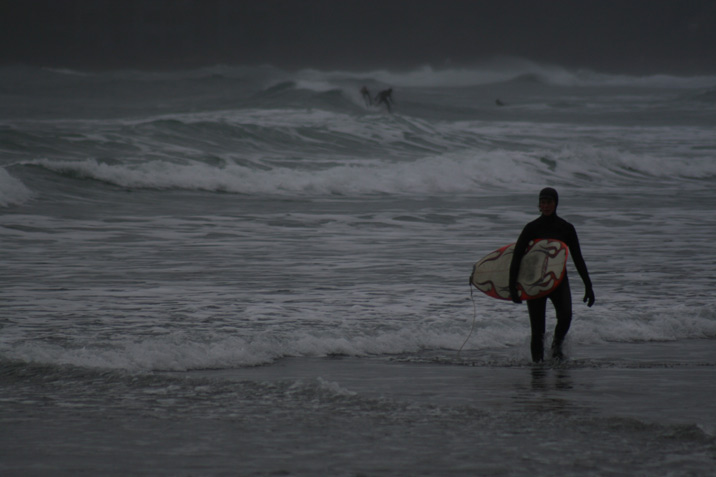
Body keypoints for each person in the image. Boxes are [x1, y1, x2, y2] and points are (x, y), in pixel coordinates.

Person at [509, 187, 595, 363]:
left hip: (558, 280)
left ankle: (556, 348)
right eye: (543, 202)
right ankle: (537, 367)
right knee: (537, 330)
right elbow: (517, 257)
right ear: (539, 205)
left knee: (565, 317)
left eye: (549, 202)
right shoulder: (531, 228)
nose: (546, 205)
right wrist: (512, 286)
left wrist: (588, 286)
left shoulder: (566, 228)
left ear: (556, 204)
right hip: (535, 283)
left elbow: (578, 258)